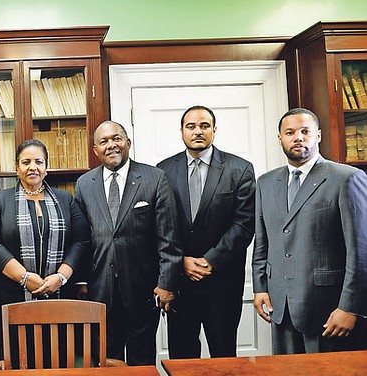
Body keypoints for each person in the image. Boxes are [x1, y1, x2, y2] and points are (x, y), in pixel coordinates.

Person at [253, 107, 367, 354]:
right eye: (290, 132)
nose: (298, 137)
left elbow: (361, 252)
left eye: (305, 131)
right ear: (280, 138)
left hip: (329, 312)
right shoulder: (265, 183)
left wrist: (350, 307)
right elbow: (263, 242)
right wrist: (260, 287)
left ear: (318, 135)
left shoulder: (347, 178)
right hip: (281, 309)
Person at [74, 120, 183, 366]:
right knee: (105, 361)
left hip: (143, 289)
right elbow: (82, 239)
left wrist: (166, 284)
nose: (111, 145)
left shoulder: (154, 178)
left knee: (141, 361)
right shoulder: (84, 184)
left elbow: (169, 238)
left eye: (117, 139)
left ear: (128, 143)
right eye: (104, 141)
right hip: (100, 290)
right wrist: (81, 282)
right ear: (95, 150)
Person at [157, 105, 255, 359]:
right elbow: (161, 225)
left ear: (214, 130)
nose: (198, 131)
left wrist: (210, 261)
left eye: (204, 126)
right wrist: (181, 262)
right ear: (181, 132)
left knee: (223, 357)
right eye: (191, 126)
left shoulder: (239, 169)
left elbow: (244, 224)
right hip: (180, 282)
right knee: (182, 358)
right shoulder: (163, 170)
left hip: (222, 282)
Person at [0, 139, 90, 359]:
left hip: (59, 296)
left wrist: (61, 276)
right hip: (12, 297)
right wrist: (25, 278)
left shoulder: (65, 199)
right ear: (17, 168)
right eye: (25, 162)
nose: (33, 167)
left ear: (46, 168)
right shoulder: (0, 200)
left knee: (59, 359)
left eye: (39, 161)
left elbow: (81, 240)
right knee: (18, 362)